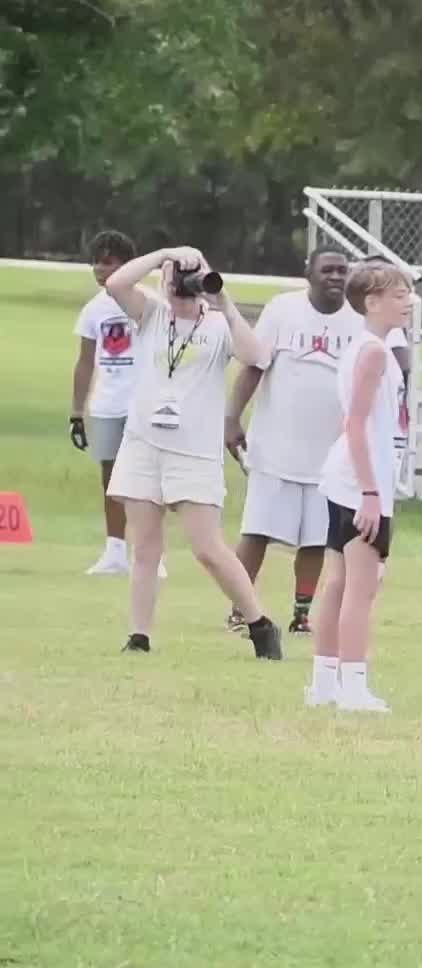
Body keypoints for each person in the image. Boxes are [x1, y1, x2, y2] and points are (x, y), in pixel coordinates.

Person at [101, 246, 282, 659]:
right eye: (176, 276)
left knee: (207, 548)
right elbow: (115, 282)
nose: (183, 283)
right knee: (144, 546)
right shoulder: (150, 313)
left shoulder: (218, 325)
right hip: (144, 443)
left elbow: (257, 356)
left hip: (193, 450)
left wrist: (223, 299)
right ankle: (139, 636)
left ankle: (259, 623)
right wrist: (163, 255)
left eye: (191, 275)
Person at [224, 248, 409, 635]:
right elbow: (254, 365)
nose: (335, 277)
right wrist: (231, 416)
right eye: (327, 270)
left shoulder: (364, 322)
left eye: (343, 271)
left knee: (314, 540)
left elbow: (397, 364)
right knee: (257, 529)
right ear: (307, 272)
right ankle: (241, 608)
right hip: (276, 442)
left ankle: (302, 612)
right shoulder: (282, 309)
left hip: (331, 451)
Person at [305, 264, 414, 712]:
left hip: (347, 478)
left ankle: (324, 682)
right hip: (358, 483)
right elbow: (355, 424)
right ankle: (352, 685)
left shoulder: (370, 349)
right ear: (371, 302)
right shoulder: (372, 352)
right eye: (398, 295)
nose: (407, 301)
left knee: (338, 582)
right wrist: (370, 493)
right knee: (360, 588)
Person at [70, 229, 167, 578]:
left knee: (148, 480)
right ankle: (114, 552)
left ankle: (153, 553)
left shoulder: (151, 302)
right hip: (107, 405)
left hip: (144, 404)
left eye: (109, 262)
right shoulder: (93, 310)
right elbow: (85, 362)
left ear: (129, 266)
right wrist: (77, 412)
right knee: (111, 478)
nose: (100, 269)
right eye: (96, 262)